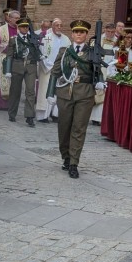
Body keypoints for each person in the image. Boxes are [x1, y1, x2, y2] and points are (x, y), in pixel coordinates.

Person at [50, 19, 102, 178]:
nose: (79, 34)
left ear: (86, 35)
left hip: (85, 93)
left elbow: (97, 69)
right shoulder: (64, 51)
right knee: (64, 127)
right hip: (65, 93)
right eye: (76, 32)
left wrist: (100, 81)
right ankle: (65, 157)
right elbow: (55, 72)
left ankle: (74, 162)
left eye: (82, 32)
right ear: (72, 34)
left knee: (79, 128)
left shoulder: (92, 51)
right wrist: (50, 94)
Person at [2, 17, 40, 126]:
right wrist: (8, 70)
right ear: (19, 28)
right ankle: (12, 113)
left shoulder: (32, 39)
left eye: (27, 26)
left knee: (30, 91)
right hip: (17, 66)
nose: (25, 28)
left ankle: (30, 116)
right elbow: (9, 55)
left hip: (30, 66)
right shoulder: (14, 39)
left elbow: (36, 52)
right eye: (23, 27)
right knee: (15, 91)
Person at [37, 18, 70, 121]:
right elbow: (42, 54)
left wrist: (64, 68)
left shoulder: (66, 40)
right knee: (46, 90)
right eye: (57, 25)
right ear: (53, 26)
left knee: (59, 91)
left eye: (61, 25)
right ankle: (43, 116)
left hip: (61, 70)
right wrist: (50, 66)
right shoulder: (46, 38)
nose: (59, 27)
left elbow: (68, 55)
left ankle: (55, 114)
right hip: (48, 69)